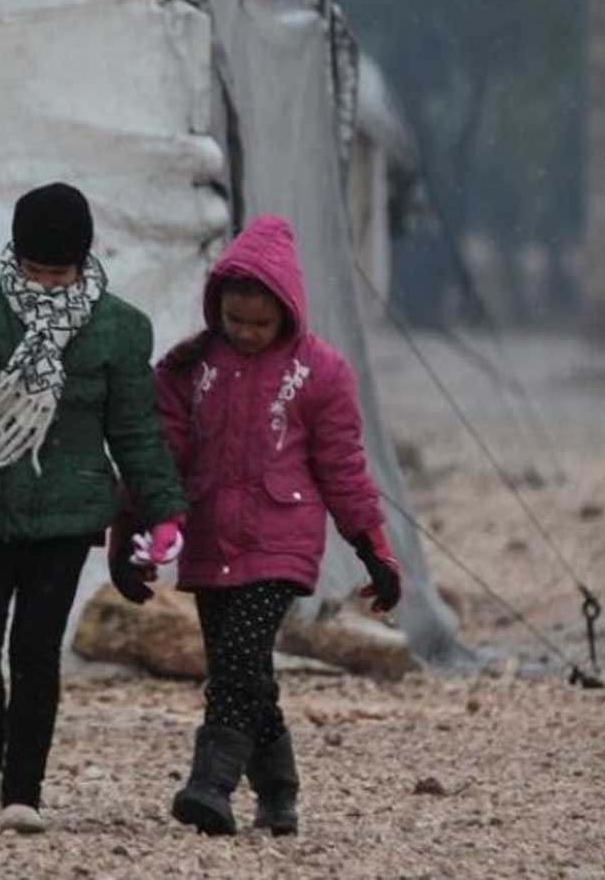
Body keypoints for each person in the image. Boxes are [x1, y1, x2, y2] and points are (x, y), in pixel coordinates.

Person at [0, 182, 186, 834]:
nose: (46, 284)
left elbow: (135, 431)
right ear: (15, 256)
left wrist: (164, 511)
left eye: (59, 273)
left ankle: (24, 791)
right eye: (34, 270)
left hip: (68, 513)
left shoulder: (120, 328)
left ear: (83, 261)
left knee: (35, 649)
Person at [149, 214, 402, 836]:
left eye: (259, 324)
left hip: (280, 542)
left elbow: (343, 468)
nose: (245, 332)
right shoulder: (189, 368)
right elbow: (159, 456)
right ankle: (279, 795)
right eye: (234, 320)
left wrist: (374, 548)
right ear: (217, 307)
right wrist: (134, 528)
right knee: (244, 672)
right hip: (209, 539)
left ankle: (210, 785)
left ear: (288, 312)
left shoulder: (321, 372)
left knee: (239, 658)